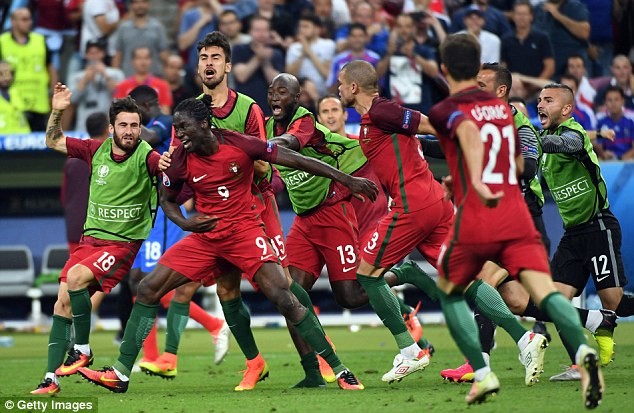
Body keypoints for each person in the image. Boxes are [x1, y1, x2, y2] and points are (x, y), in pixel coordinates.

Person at [76, 97, 377, 393]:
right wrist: (184, 222)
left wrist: (346, 179)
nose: (178, 135)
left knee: (282, 296)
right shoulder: (181, 158)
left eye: (184, 128)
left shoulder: (239, 143)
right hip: (206, 237)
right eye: (176, 128)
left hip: (244, 232)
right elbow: (167, 200)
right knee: (147, 288)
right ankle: (121, 373)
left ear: (204, 124)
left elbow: (297, 159)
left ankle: (339, 369)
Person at [427, 33, 603, 407]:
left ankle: (481, 368)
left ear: (444, 68)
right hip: (516, 214)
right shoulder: (509, 114)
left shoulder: (448, 110)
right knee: (529, 297)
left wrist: (471, 179)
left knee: (454, 289)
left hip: (482, 213)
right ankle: (586, 342)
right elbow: (515, 159)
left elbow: (470, 139)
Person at [140, 32, 286, 391]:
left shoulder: (248, 108)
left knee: (283, 286)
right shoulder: (188, 112)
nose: (208, 62)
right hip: (213, 214)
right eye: (203, 56)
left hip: (255, 207)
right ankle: (243, 361)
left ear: (228, 65)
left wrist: (242, 168)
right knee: (219, 290)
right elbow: (178, 163)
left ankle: (322, 357)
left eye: (215, 57)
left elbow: (266, 164)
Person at [30, 83, 162, 395]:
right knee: (62, 302)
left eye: (135, 125)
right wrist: (59, 109)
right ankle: (51, 379)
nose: (130, 131)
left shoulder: (148, 156)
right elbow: (52, 140)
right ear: (111, 128)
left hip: (121, 244)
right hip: (90, 241)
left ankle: (84, 348)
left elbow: (170, 171)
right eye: (124, 125)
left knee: (75, 280)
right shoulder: (95, 150)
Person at [0, 7, 57, 131]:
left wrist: (54, 93)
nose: (29, 22)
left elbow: (50, 67)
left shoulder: (40, 40)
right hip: (14, 102)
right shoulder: (2, 42)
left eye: (30, 19)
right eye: (24, 19)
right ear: (13, 21)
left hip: (38, 100)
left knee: (39, 143)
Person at [67, 39, 125, 132]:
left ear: (103, 53)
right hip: (84, 127)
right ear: (86, 55)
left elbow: (121, 97)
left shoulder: (116, 74)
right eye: (91, 53)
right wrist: (85, 79)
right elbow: (72, 99)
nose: (94, 56)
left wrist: (105, 75)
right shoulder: (77, 76)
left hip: (109, 126)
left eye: (97, 52)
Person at [231, 16, 284, 116]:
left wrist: (266, 61)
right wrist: (258, 58)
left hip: (269, 109)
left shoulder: (276, 53)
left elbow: (276, 83)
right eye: (257, 30)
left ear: (270, 32)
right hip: (244, 108)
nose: (261, 34)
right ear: (250, 32)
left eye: (264, 30)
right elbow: (241, 76)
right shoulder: (239, 49)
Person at [111, 0, 170, 78]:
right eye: (136, 2)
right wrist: (115, 76)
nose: (140, 5)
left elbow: (164, 55)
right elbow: (118, 56)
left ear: (148, 4)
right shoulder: (123, 28)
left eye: (143, 2)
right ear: (131, 6)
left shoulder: (157, 27)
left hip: (153, 79)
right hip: (128, 78)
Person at [500, 0, 555, 83]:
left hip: (537, 85)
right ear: (513, 16)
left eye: (524, 14)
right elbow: (503, 67)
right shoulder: (506, 39)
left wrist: (534, 85)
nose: (521, 17)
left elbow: (550, 67)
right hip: (515, 84)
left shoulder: (542, 38)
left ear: (531, 16)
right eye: (518, 14)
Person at [533, 0, 591, 76]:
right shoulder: (538, 9)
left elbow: (584, 32)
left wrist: (557, 15)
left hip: (571, 69)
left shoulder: (575, 7)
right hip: (546, 67)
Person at [285, 14, 335, 97]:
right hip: (300, 93)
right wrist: (302, 53)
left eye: (306, 27)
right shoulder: (294, 47)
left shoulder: (328, 45)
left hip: (323, 93)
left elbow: (328, 75)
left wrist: (309, 52)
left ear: (317, 29)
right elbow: (289, 75)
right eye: (300, 26)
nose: (302, 30)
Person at [113, 47, 173, 115]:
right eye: (139, 58)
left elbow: (166, 113)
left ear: (151, 61)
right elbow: (116, 113)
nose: (143, 61)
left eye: (146, 58)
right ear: (133, 61)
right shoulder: (122, 86)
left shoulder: (163, 85)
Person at [594, 86, 634, 160]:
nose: (613, 103)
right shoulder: (600, 120)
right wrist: (603, 154)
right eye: (609, 100)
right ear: (605, 102)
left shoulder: (631, 119)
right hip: (607, 160)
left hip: (629, 160)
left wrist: (621, 159)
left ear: (623, 101)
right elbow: (597, 144)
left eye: (616, 99)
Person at [0, 59, 30, 134]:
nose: (5, 78)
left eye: (8, 73)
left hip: (21, 139)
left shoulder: (18, 92)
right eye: (1, 74)